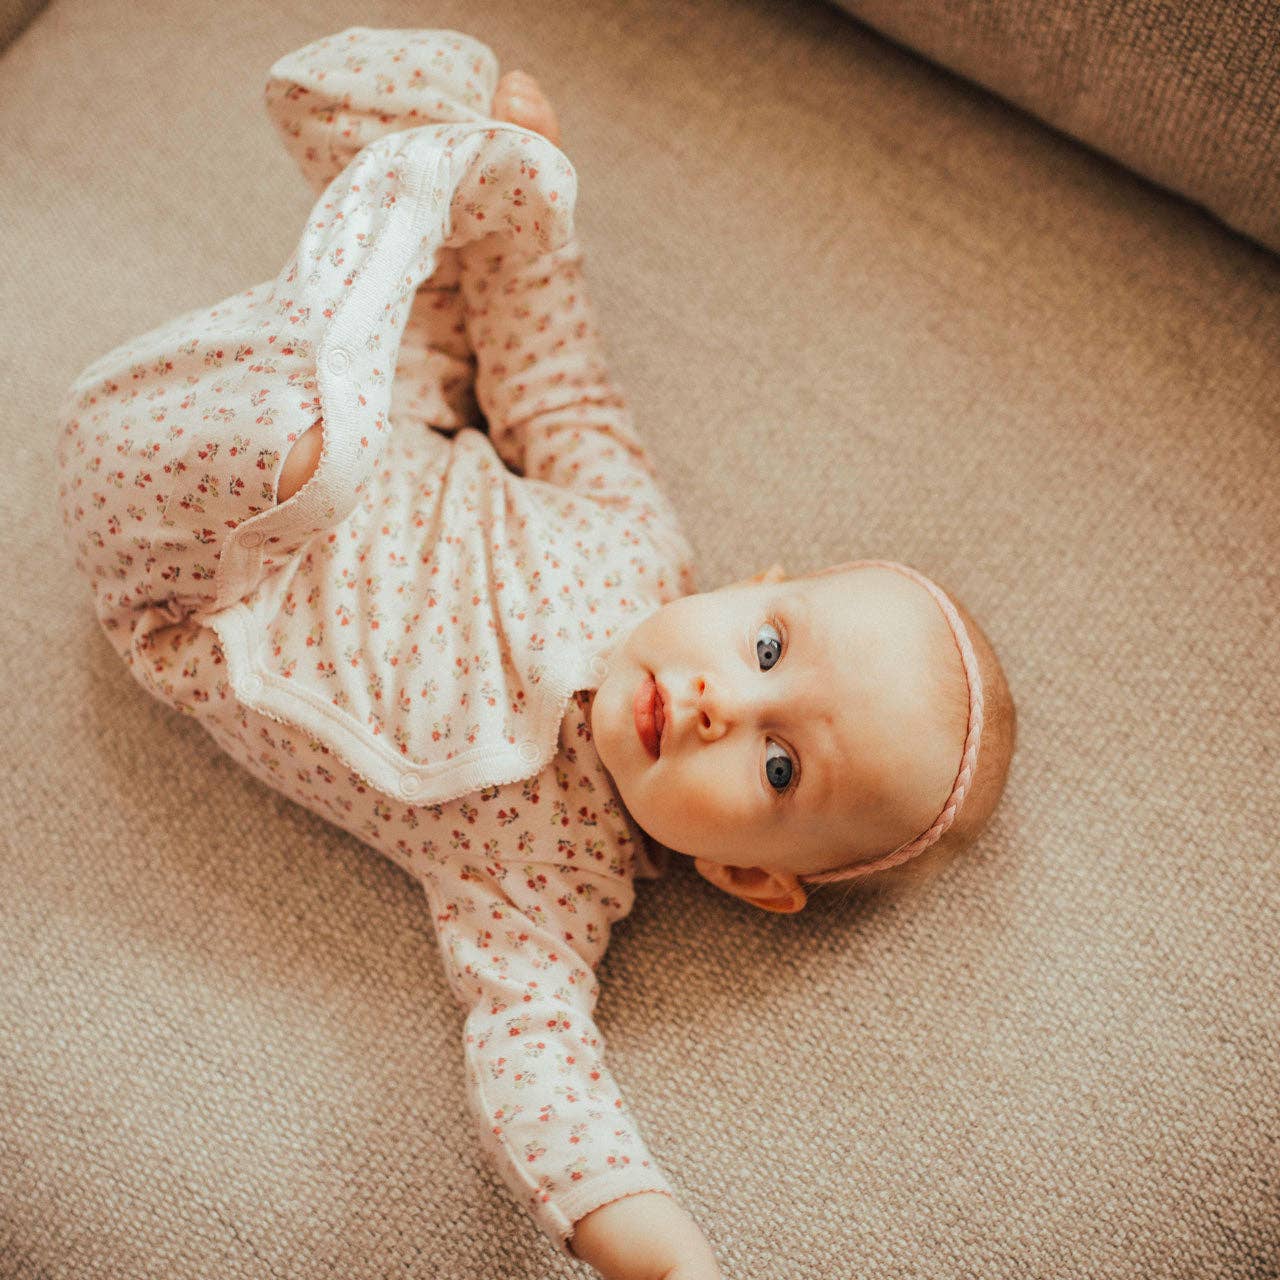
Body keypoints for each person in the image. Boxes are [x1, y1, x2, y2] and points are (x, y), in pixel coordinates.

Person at [53, 27, 1016, 1280]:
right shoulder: (640, 537)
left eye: (780, 770)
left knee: (306, 452)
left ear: (743, 874)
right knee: (488, 198)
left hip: (197, 575)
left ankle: (358, 268)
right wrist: (528, 227)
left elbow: (537, 1065)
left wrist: (665, 1253)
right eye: (768, 644)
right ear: (753, 584)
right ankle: (414, 184)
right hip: (383, 413)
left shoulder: (552, 881)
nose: (729, 701)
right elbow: (550, 381)